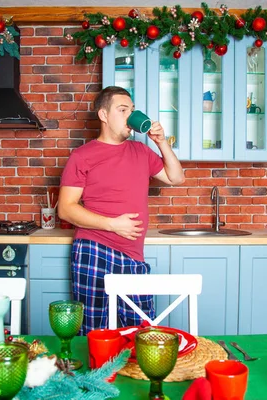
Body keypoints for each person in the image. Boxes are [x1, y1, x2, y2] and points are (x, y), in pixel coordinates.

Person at [58, 86, 185, 335]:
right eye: (123, 110)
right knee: (95, 334)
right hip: (94, 250)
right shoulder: (82, 156)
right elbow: (65, 209)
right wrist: (113, 224)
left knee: (140, 333)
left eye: (132, 110)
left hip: (133, 256)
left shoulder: (141, 151)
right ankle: (96, 376)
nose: (130, 116)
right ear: (104, 115)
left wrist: (161, 142)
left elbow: (176, 178)